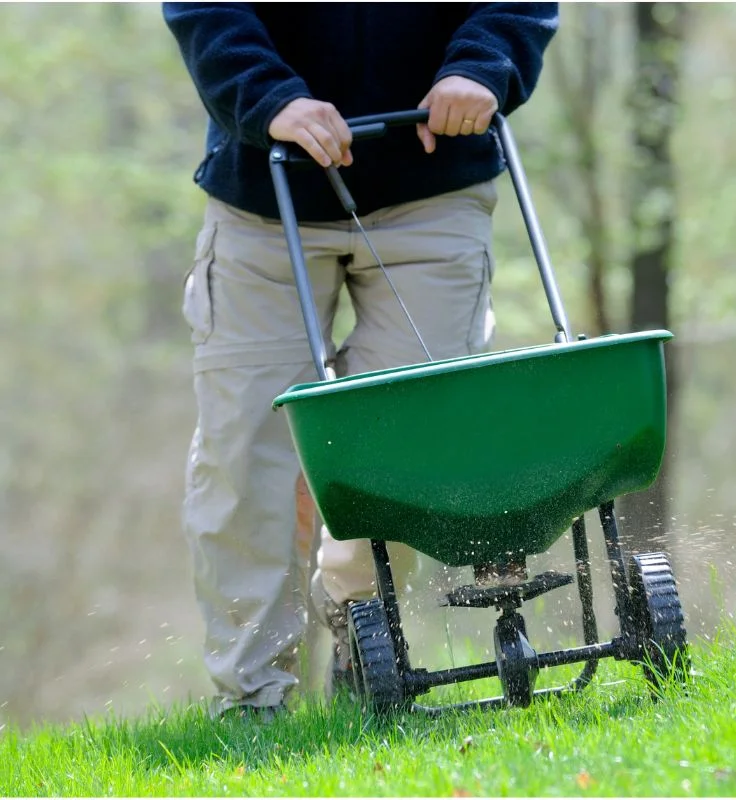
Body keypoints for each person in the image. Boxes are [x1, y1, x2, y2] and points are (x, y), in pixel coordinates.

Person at [162, 2, 559, 720]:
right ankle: (253, 701)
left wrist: (481, 66)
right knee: (245, 451)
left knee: (406, 445)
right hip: (264, 186)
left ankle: (361, 633)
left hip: (432, 189)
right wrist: (271, 98)